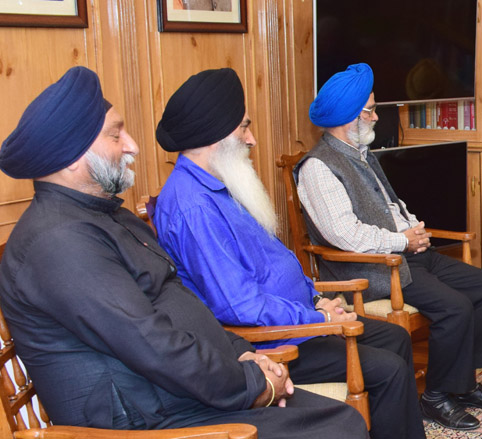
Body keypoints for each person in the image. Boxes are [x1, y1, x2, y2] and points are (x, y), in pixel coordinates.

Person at [0, 66, 366, 438]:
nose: (132, 145)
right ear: (73, 155)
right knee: (340, 426)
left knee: (335, 417)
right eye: (115, 135)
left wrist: (242, 353)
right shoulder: (59, 242)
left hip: (182, 393)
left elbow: (183, 301)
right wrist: (250, 383)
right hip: (148, 422)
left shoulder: (107, 217)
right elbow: (148, 342)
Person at [151, 68, 425, 439]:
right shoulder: (191, 206)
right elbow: (238, 305)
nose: (252, 139)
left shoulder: (219, 185)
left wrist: (318, 298)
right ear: (215, 135)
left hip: (299, 320)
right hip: (274, 338)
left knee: (394, 339)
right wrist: (312, 314)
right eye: (244, 128)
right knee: (388, 367)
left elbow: (272, 265)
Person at [298, 63, 482, 431]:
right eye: (371, 110)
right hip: (374, 267)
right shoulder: (318, 167)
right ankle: (437, 396)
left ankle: (464, 384)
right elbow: (345, 234)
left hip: (407, 254)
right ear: (350, 117)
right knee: (455, 307)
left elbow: (391, 206)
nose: (377, 116)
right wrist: (402, 240)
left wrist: (414, 228)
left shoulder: (361, 153)